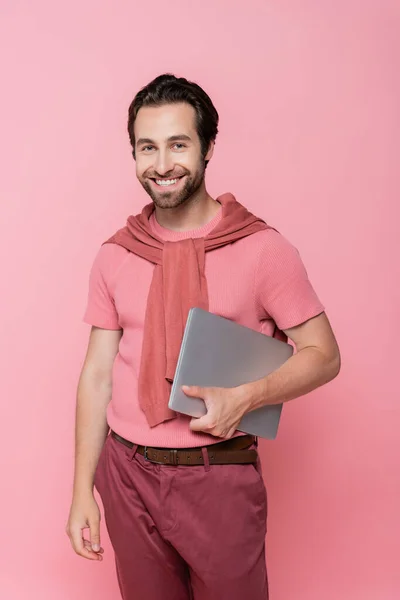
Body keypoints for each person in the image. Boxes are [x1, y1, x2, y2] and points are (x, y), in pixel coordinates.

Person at [66, 73, 341, 600]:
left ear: (209, 147)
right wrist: (82, 490)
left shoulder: (263, 250)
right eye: (147, 147)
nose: (162, 163)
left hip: (219, 473)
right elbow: (97, 374)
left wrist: (247, 398)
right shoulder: (116, 253)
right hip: (126, 475)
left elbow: (324, 356)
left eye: (178, 144)